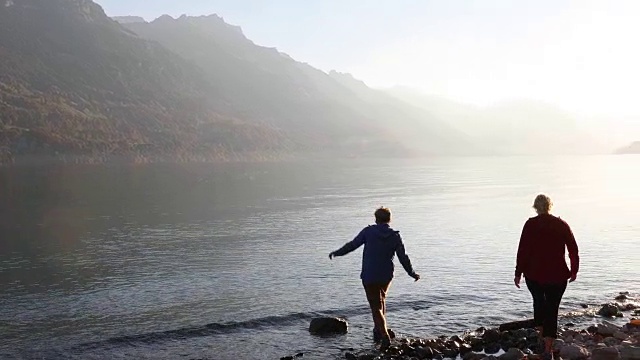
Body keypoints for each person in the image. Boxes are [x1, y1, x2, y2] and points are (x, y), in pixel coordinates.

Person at [329, 207, 420, 350]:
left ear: (376, 219)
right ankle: (379, 330)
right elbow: (403, 257)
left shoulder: (368, 232)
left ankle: (384, 336)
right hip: (386, 275)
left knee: (375, 306)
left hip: (370, 274)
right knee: (381, 301)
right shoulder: (394, 235)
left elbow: (353, 245)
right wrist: (411, 273)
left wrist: (337, 253)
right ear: (389, 219)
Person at [514, 194, 579, 359]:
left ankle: (542, 339)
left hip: (534, 275)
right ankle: (548, 349)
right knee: (552, 309)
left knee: (538, 303)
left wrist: (518, 273)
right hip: (558, 276)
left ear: (535, 207)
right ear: (550, 206)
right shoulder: (561, 224)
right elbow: (573, 249)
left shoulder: (530, 225)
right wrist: (574, 270)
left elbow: (522, 251)